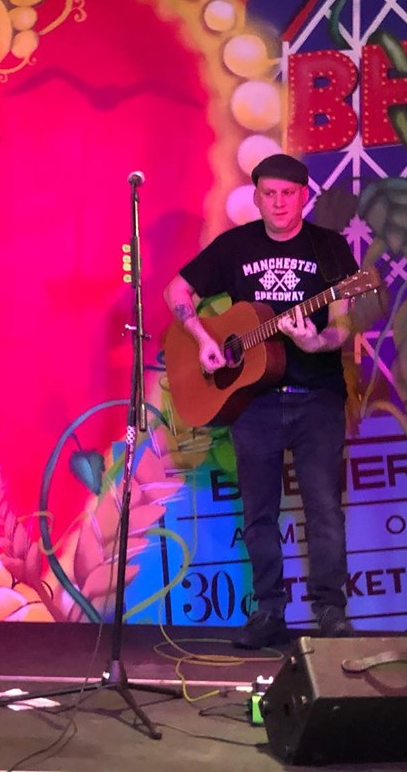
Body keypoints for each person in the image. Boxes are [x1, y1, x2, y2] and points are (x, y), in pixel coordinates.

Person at [164, 153, 357, 649]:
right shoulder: (235, 245)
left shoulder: (330, 248)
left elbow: (342, 325)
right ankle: (269, 611)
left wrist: (315, 341)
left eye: (288, 193)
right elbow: (176, 290)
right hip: (254, 401)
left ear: (304, 196)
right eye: (269, 193)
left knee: (324, 509)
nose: (278, 203)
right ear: (256, 197)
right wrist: (202, 338)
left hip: (317, 399)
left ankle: (331, 611)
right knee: (258, 514)